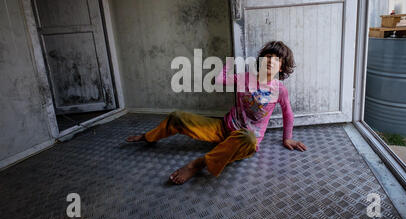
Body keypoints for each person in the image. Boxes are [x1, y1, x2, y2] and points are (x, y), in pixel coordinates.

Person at [126, 41, 307, 185]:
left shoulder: (280, 90)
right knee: (177, 117)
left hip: (243, 139)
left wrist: (287, 138)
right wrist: (228, 63)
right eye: (268, 56)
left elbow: (288, 113)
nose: (271, 61)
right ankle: (149, 137)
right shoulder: (245, 78)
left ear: (282, 68)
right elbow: (218, 80)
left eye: (277, 59)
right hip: (223, 127)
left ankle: (199, 163)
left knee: (249, 139)